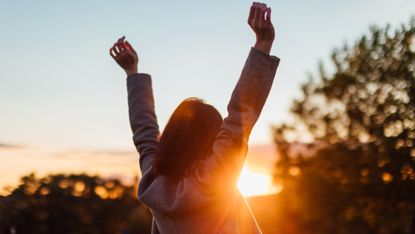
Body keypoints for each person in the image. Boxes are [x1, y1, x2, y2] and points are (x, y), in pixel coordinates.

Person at [110, 2, 280, 233]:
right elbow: (239, 117)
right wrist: (263, 44)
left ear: (169, 138)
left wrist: (133, 72)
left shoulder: (153, 182)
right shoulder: (215, 176)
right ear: (211, 140)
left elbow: (145, 134)